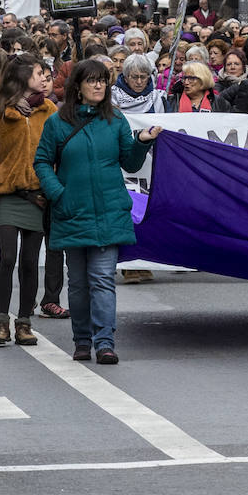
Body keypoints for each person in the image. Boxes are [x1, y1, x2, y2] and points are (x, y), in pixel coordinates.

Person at [33, 59, 161, 365]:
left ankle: (105, 343)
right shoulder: (57, 122)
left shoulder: (115, 120)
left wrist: (142, 142)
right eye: (92, 80)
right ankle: (82, 341)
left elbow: (129, 162)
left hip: (108, 211)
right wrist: (58, 193)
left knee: (102, 279)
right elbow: (41, 161)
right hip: (71, 211)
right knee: (77, 284)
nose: (99, 85)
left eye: (103, 80)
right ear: (78, 86)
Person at [0, 53, 56, 346]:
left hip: (40, 198)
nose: (44, 77)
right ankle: (1, 321)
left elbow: (60, 154)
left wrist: (58, 190)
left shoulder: (50, 110)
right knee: (7, 258)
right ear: (21, 77)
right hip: (10, 196)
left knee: (30, 262)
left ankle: (24, 323)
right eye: (39, 73)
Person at [166, 60, 230, 112]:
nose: (186, 82)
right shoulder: (171, 100)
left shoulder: (219, 103)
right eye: (184, 78)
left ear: (203, 80)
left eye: (191, 78)